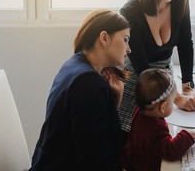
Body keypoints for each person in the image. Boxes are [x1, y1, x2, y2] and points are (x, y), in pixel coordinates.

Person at [118, 0, 195, 140]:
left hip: (166, 77)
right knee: (133, 140)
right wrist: (175, 96)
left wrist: (187, 86)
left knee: (161, 138)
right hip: (138, 79)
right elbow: (142, 66)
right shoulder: (130, 11)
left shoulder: (181, 4)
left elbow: (186, 44)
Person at [29, 9, 131, 171]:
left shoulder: (74, 64)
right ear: (104, 37)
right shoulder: (89, 84)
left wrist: (115, 100)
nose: (128, 49)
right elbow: (99, 162)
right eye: (125, 40)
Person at [122, 68, 195, 171]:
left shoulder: (139, 110)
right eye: (172, 101)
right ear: (163, 107)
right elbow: (171, 151)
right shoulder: (156, 128)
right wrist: (186, 135)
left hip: (133, 162)